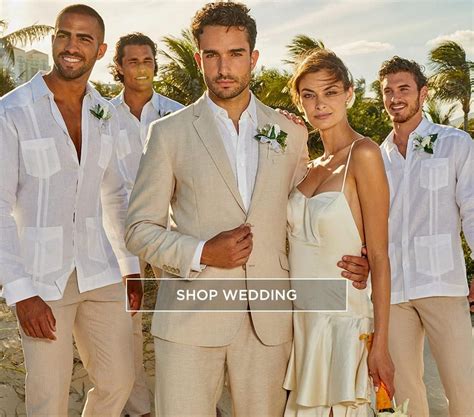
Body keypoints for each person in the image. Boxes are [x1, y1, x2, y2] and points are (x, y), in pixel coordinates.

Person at [125, 2, 369, 416]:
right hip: (189, 321)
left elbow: (304, 220)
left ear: (253, 58)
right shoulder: (167, 133)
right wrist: (202, 252)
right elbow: (138, 229)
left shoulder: (290, 131)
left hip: (270, 324)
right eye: (212, 55)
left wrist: (353, 261)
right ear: (199, 56)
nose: (224, 67)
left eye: (236, 54)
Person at [0, 5, 142, 416]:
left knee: (119, 382)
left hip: (101, 270)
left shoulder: (107, 114)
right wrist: (22, 292)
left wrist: (130, 265)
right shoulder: (13, 112)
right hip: (42, 278)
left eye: (84, 39)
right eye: (65, 35)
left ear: (100, 50)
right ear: (54, 40)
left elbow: (115, 195)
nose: (72, 46)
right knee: (48, 397)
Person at [283, 49, 394, 417]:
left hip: (345, 316)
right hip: (304, 320)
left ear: (349, 93)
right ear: (299, 103)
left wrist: (381, 343)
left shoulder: (364, 154)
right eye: (309, 95)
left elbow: (378, 256)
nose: (320, 104)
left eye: (330, 92)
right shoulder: (306, 167)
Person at [379, 56, 473, 417]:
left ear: (423, 93)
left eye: (404, 89)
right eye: (388, 91)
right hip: (394, 291)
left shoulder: (455, 143)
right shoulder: (377, 155)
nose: (395, 97)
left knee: (464, 391)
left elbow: (472, 210)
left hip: (442, 285)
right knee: (403, 397)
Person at [109, 32, 183, 417]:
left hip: (169, 229)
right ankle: (138, 408)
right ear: (118, 67)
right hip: (118, 230)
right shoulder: (101, 116)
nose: (142, 67)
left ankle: (183, 401)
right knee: (128, 320)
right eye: (133, 61)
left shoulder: (178, 113)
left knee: (178, 315)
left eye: (148, 60)